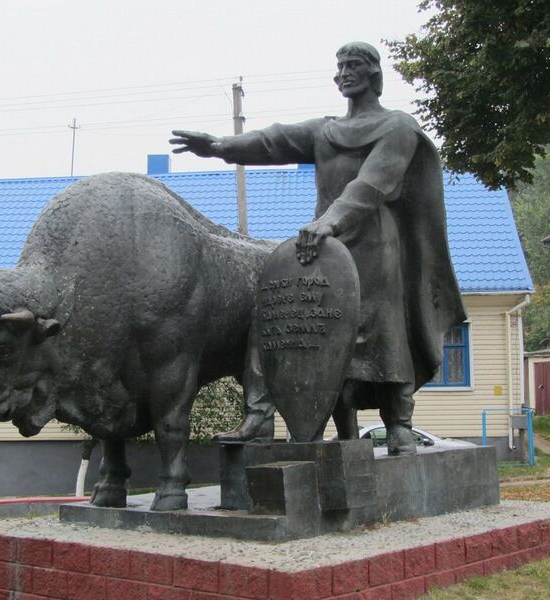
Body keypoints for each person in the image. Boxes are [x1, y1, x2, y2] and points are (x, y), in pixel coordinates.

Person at [170, 42, 465, 454]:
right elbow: (274, 141)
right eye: (340, 66)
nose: (344, 73)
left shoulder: (398, 127)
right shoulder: (326, 131)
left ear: (374, 74)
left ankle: (399, 424)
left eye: (354, 65)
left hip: (374, 246)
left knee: (382, 330)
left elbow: (373, 183)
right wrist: (220, 146)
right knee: (305, 325)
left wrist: (330, 220)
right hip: (324, 246)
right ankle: (301, 422)